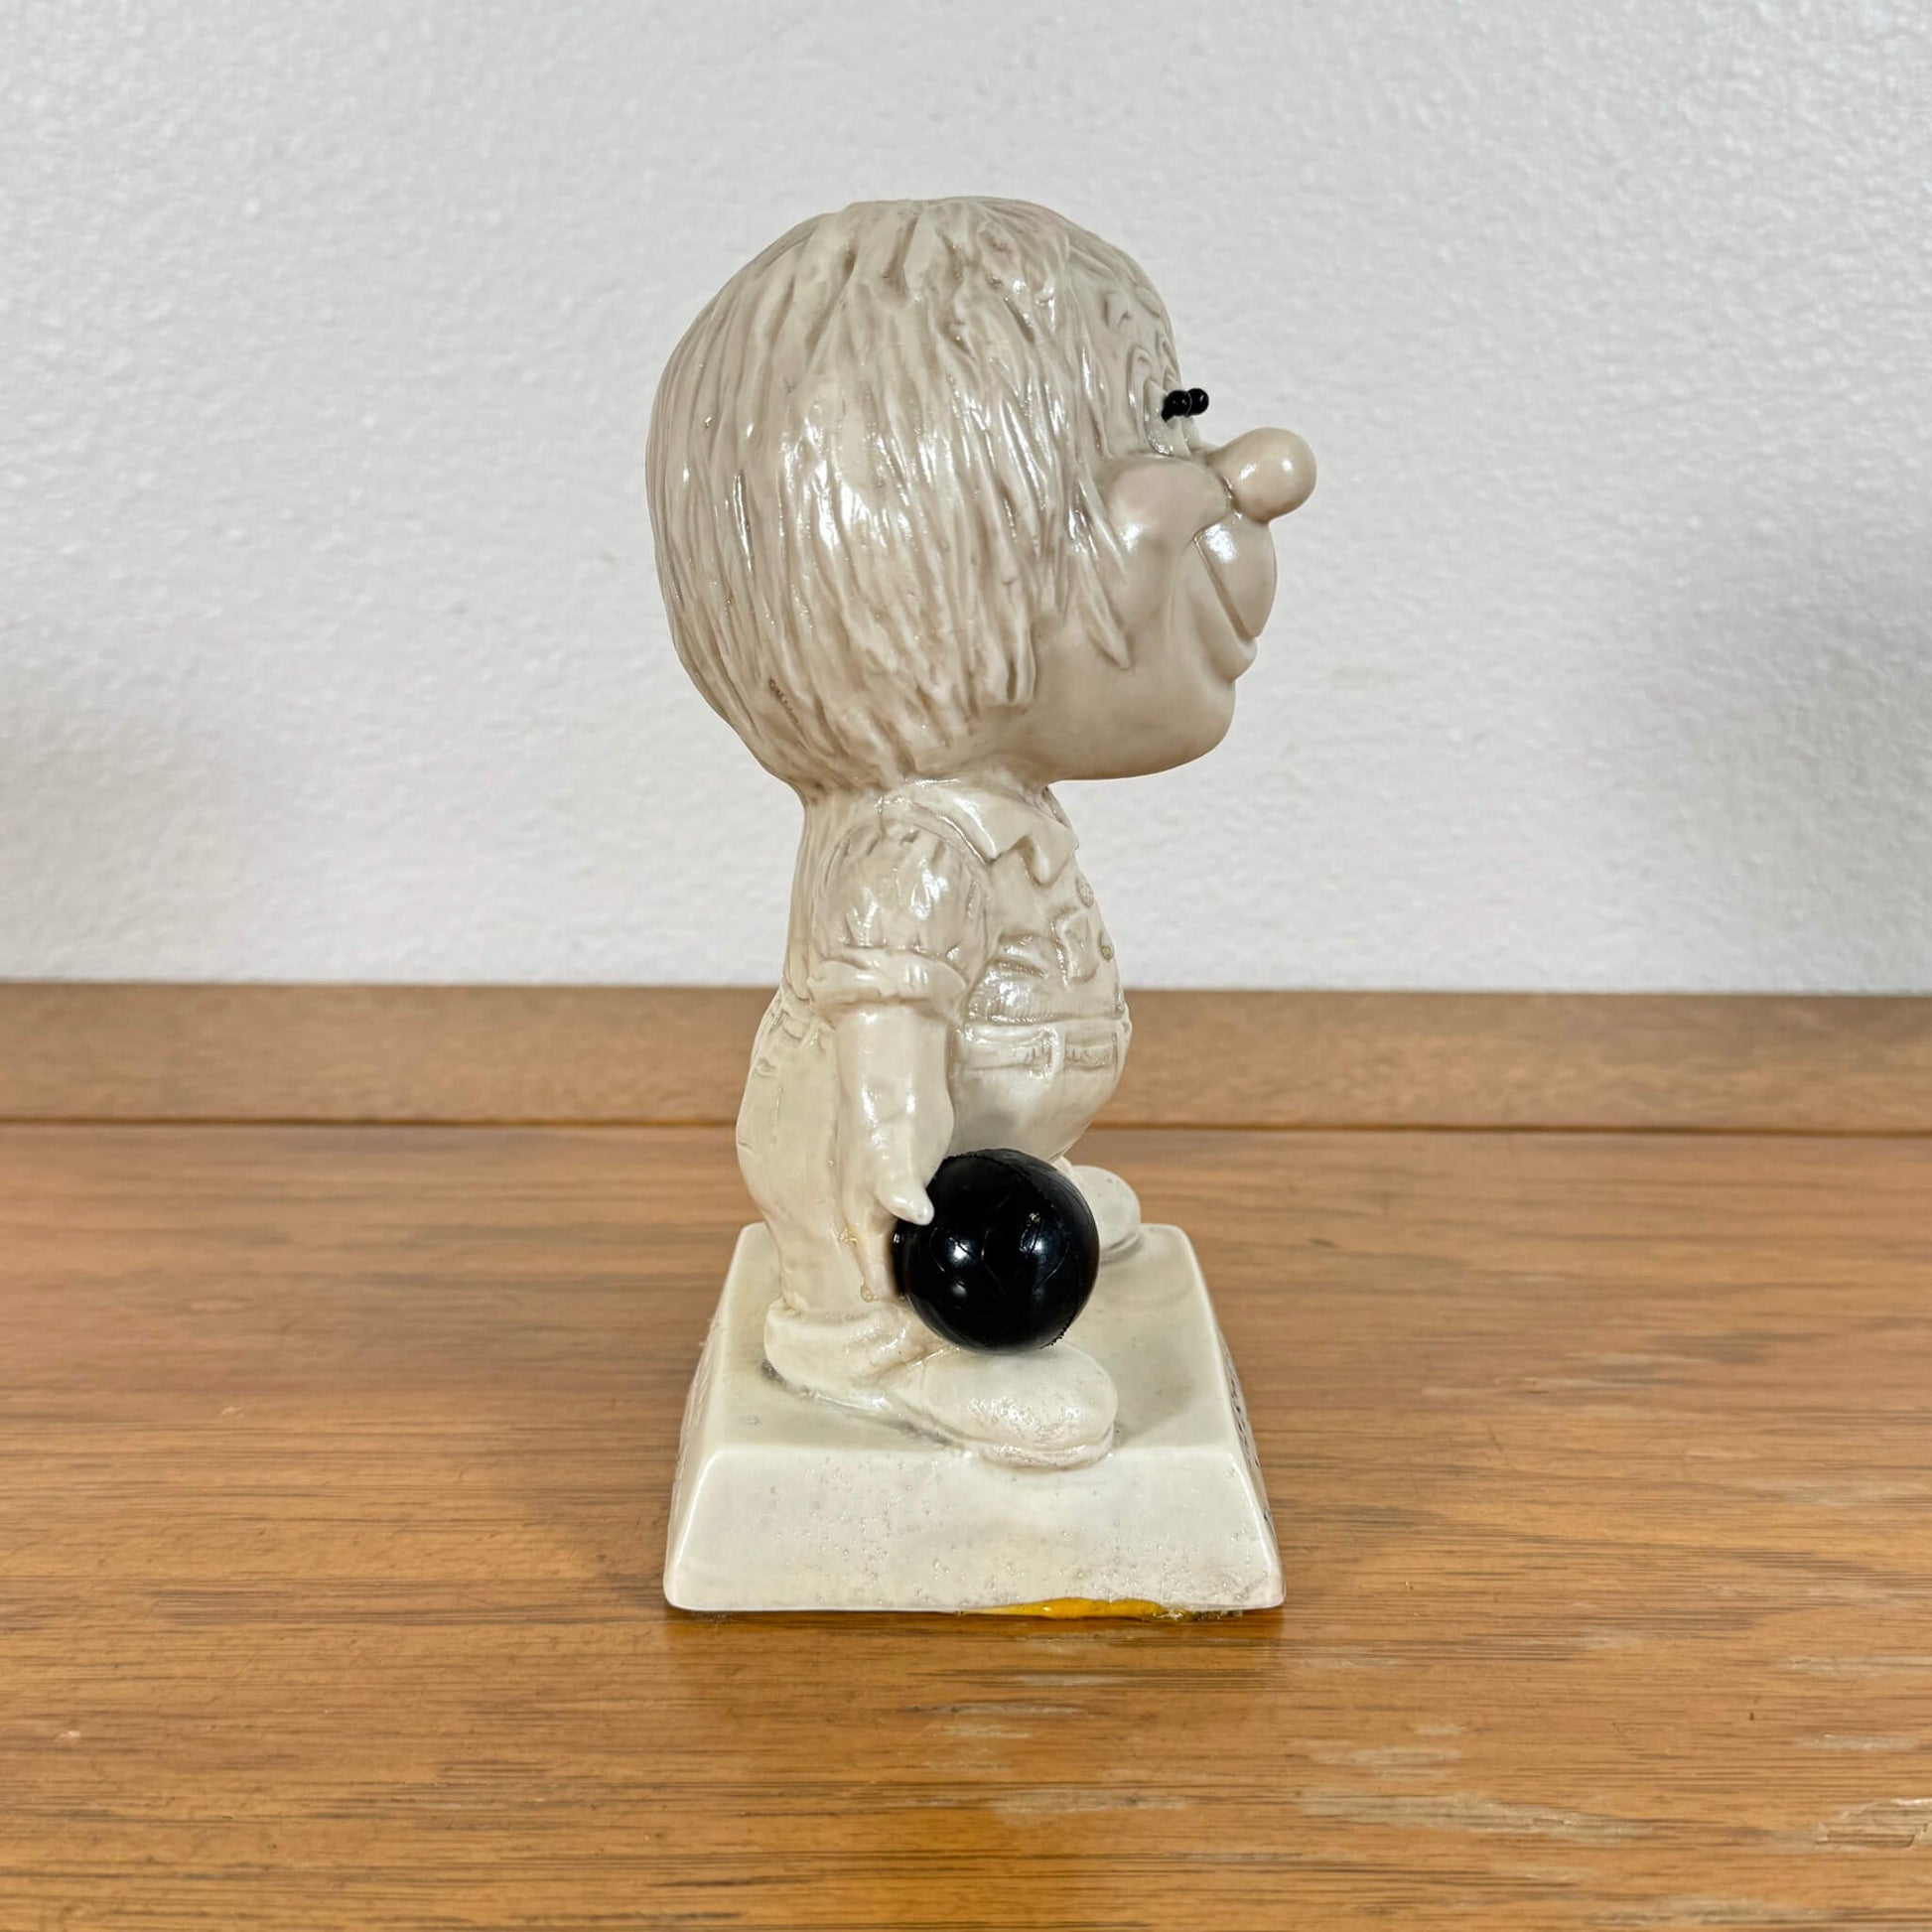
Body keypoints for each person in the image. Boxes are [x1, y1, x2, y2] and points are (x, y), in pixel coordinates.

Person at [647, 198, 1313, 1466]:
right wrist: (897, 1141)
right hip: (885, 1175)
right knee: (869, 1209)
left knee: (987, 1176)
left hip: (986, 1151)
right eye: (1154, 436)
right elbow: (889, 1026)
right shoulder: (916, 844)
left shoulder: (996, 819)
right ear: (916, 566)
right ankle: (857, 1330)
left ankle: (1011, 1187)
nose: (1260, 472)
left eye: (1180, 417)